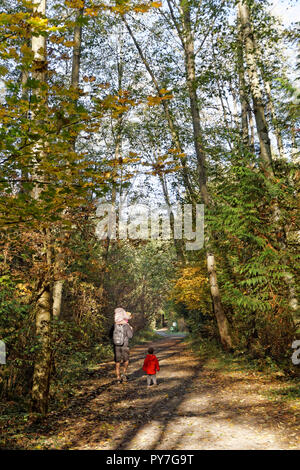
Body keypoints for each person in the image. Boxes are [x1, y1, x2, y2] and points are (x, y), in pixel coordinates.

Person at [113, 308, 133, 384]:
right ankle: (124, 374)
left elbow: (109, 334)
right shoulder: (126, 325)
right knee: (126, 360)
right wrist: (131, 329)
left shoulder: (114, 325)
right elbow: (130, 336)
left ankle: (118, 377)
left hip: (116, 345)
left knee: (117, 361)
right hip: (125, 345)